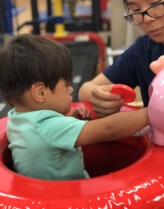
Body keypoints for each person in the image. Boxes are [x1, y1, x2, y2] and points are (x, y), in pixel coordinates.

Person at [0, 34, 148, 180]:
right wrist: (150, 113)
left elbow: (44, 141)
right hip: (66, 199)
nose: (71, 90)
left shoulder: (16, 117)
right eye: (66, 85)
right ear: (40, 92)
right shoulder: (48, 126)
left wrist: (70, 120)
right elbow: (109, 130)